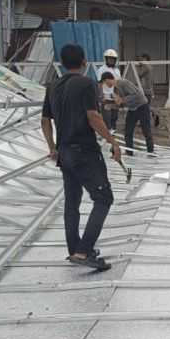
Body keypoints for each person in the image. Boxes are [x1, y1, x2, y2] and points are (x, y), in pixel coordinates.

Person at [42, 44, 120, 271]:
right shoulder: (86, 83)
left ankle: (74, 248)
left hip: (64, 152)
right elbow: (93, 116)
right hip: (84, 151)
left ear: (63, 62)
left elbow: (45, 120)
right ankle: (84, 250)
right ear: (84, 62)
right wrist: (113, 141)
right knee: (104, 199)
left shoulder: (53, 85)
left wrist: (52, 147)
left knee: (72, 203)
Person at [114, 76, 155, 156]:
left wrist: (122, 100)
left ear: (109, 79)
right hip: (132, 109)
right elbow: (122, 103)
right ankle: (129, 152)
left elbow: (136, 94)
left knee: (146, 130)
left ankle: (151, 152)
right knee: (128, 131)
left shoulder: (123, 83)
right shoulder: (115, 89)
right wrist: (115, 105)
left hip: (142, 106)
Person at [96, 49, 122, 132]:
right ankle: (108, 133)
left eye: (113, 59)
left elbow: (117, 84)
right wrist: (101, 96)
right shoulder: (101, 69)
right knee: (107, 117)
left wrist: (118, 96)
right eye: (109, 59)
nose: (111, 61)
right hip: (106, 98)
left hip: (114, 98)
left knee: (114, 117)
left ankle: (113, 131)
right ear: (106, 59)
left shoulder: (117, 70)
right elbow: (99, 84)